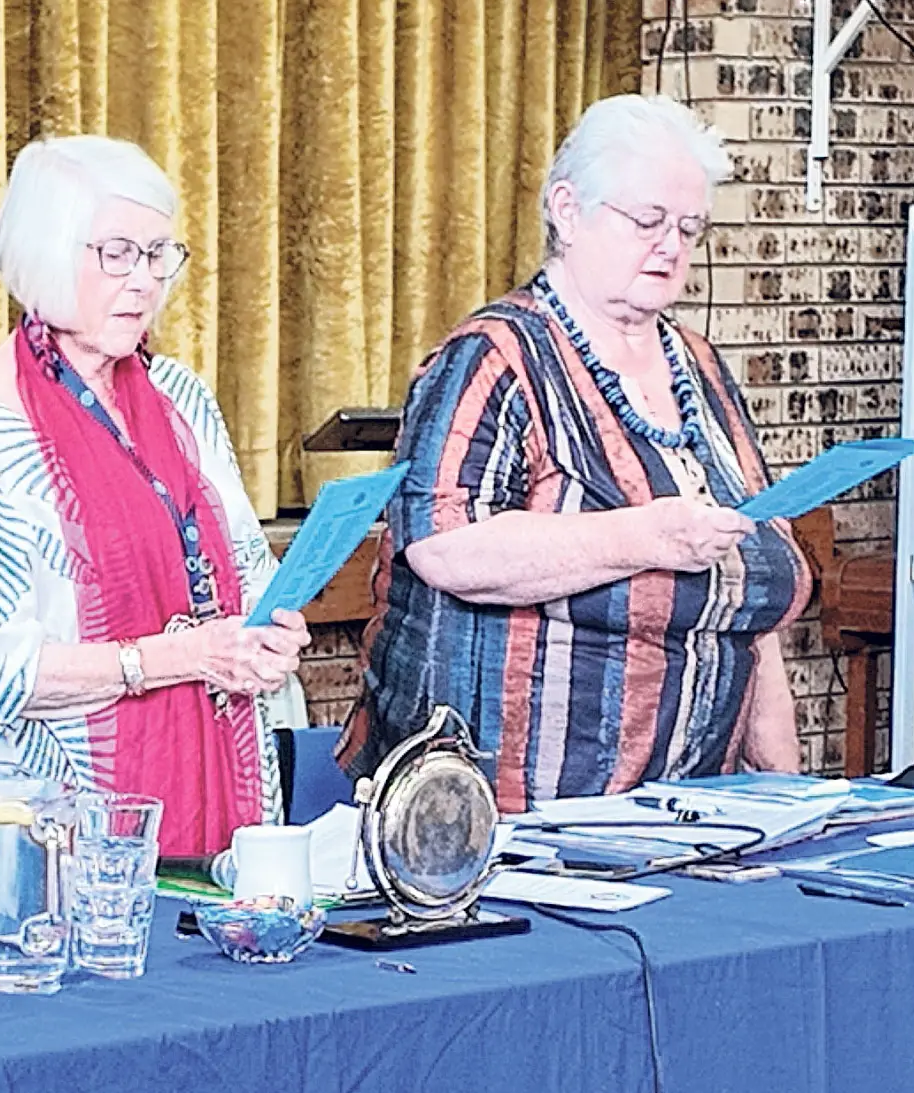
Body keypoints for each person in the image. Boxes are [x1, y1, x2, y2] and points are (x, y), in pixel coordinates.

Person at [342, 94, 809, 808]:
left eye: (690, 229)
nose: (670, 246)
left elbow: (750, 599)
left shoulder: (700, 367)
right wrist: (642, 535)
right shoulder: (493, 356)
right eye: (647, 221)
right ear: (566, 208)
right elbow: (444, 547)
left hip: (691, 814)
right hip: (507, 818)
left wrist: (784, 793)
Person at [0, 136, 308, 856]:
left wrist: (268, 634)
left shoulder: (181, 395)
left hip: (225, 801)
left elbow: (248, 567)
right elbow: (6, 675)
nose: (145, 281)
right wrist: (182, 656)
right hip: (51, 843)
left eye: (160, 255)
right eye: (118, 253)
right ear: (47, 254)